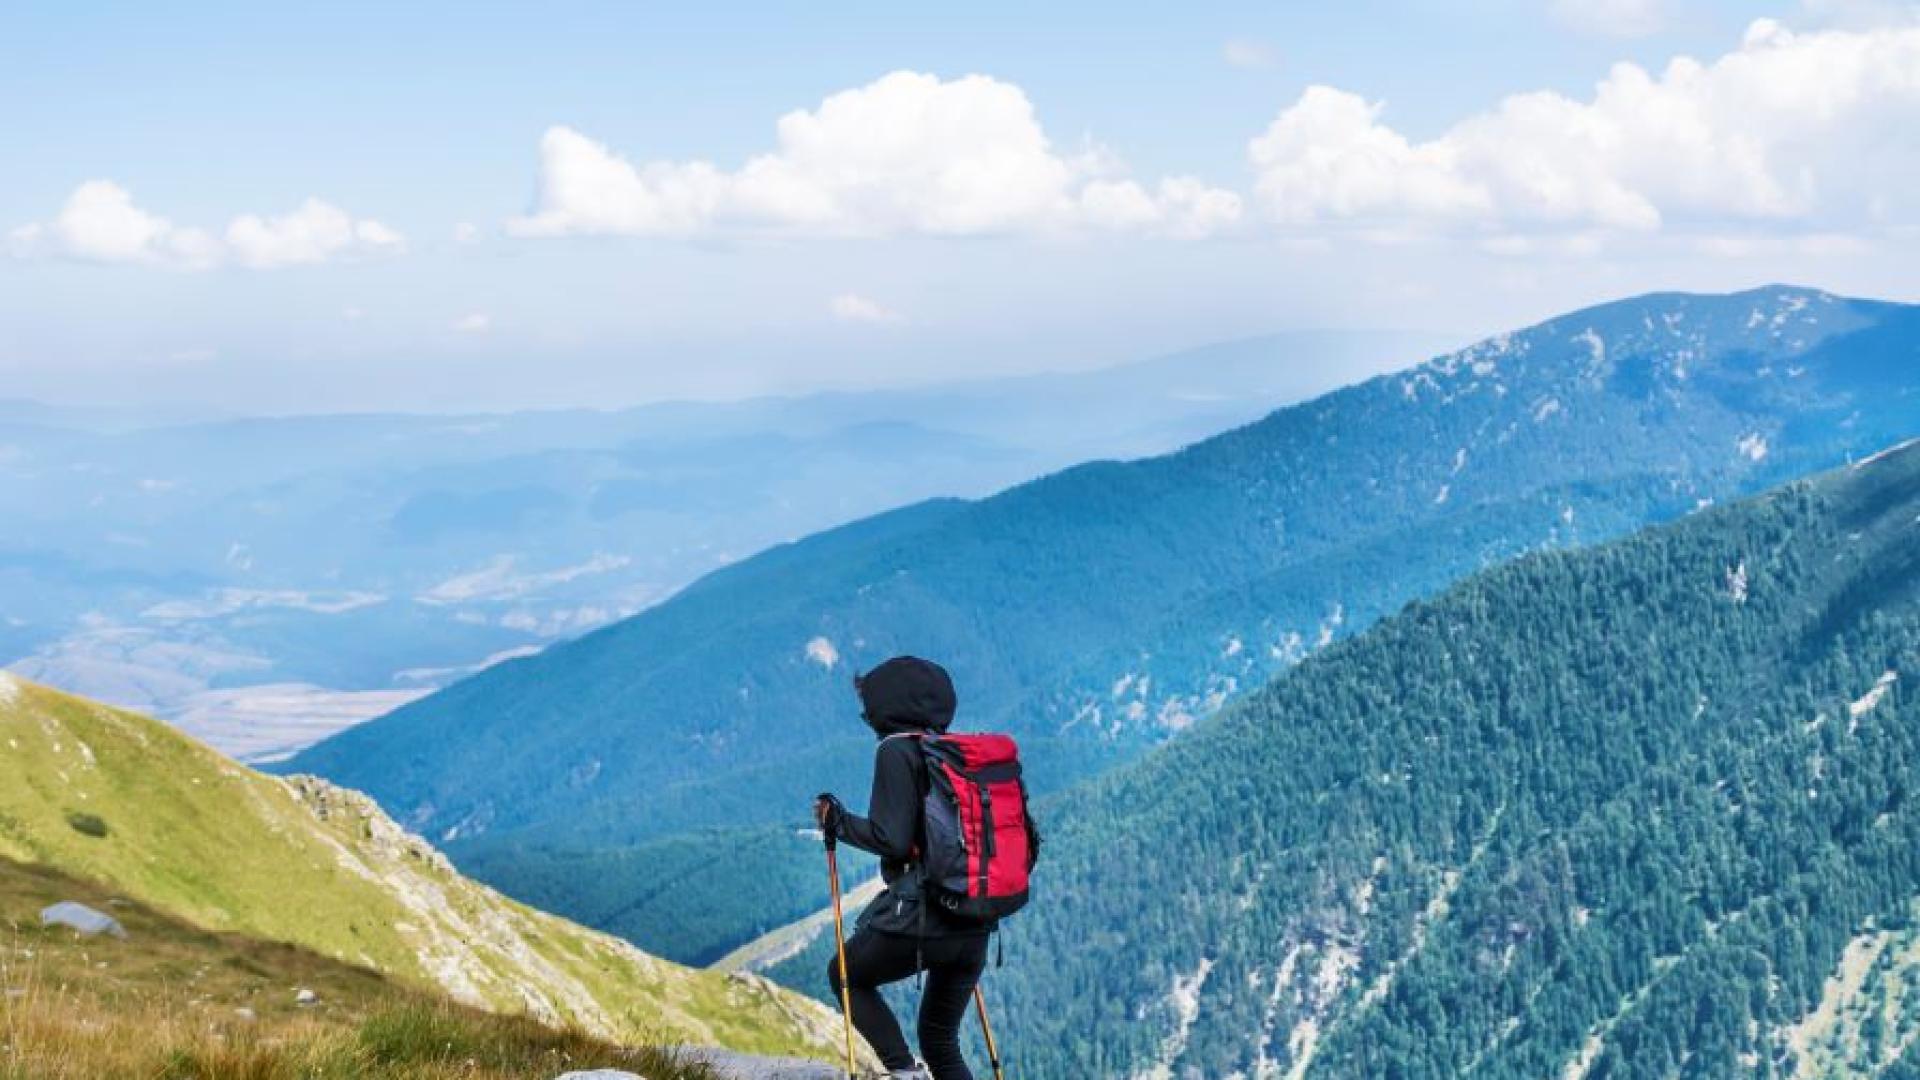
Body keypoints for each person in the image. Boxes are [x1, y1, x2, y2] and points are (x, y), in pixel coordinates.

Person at [815, 656, 990, 1080]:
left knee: (844, 973)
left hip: (925, 918)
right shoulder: (957, 752)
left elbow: (889, 837)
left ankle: (902, 1071)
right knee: (942, 1043)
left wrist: (836, 821)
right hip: (975, 921)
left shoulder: (896, 750)